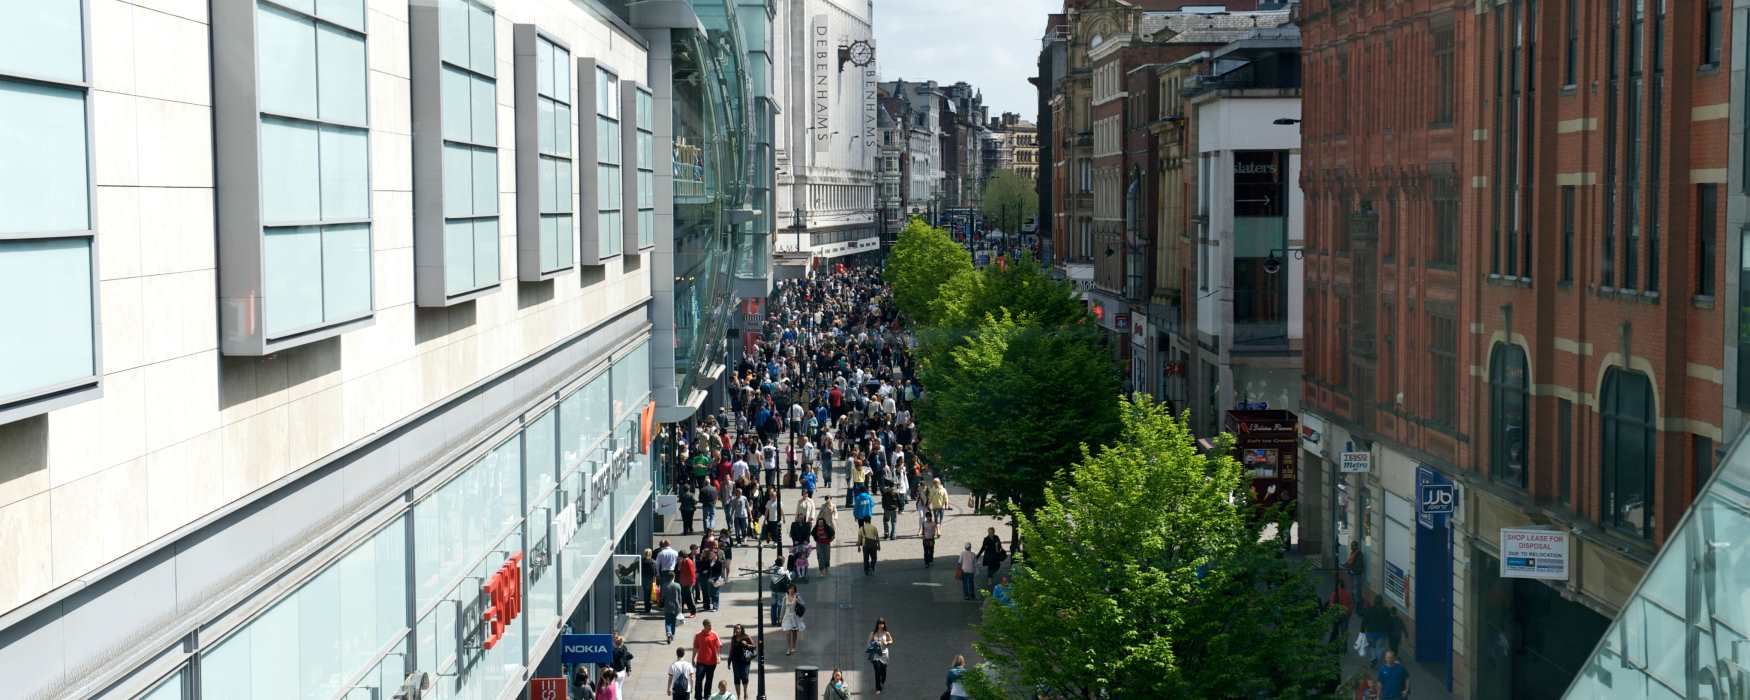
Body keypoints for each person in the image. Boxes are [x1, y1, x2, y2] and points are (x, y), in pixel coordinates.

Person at [692, 619, 721, 699]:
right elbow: (695, 648)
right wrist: (693, 658)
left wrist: (718, 656)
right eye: (709, 625)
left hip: (712, 662)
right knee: (698, 679)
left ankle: (707, 695)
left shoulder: (714, 634)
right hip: (701, 661)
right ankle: (698, 696)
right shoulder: (698, 635)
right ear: (704, 626)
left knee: (709, 680)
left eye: (711, 625)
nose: (711, 627)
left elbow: (718, 646)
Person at [728, 625, 758, 698]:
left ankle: (745, 692)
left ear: (741, 629)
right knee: (736, 678)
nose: (737, 630)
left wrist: (746, 644)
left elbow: (754, 647)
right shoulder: (734, 638)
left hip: (745, 661)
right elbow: (731, 650)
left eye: (739, 629)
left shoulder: (746, 637)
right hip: (735, 661)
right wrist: (729, 661)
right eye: (736, 629)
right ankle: (738, 696)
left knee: (745, 677)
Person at [867, 618, 895, 694]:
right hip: (876, 654)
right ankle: (878, 688)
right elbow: (868, 643)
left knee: (883, 671)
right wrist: (873, 645)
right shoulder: (873, 633)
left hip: (884, 654)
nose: (881, 625)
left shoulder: (886, 633)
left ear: (884, 625)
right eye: (879, 624)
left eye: (882, 624)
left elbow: (891, 640)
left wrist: (887, 642)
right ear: (877, 624)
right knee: (877, 671)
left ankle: (882, 681)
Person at [781, 586, 807, 655]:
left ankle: (793, 647)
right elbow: (783, 608)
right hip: (787, 617)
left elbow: (803, 604)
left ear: (794, 590)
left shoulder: (797, 596)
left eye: (792, 589)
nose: (791, 590)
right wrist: (780, 618)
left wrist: (798, 601)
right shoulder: (785, 597)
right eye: (790, 589)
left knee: (794, 632)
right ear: (788, 590)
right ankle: (789, 648)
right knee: (788, 633)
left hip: (795, 617)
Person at [1329, 578, 1355, 643]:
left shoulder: (1334, 593)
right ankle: (1344, 648)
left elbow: (1331, 604)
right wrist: (1348, 613)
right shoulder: (1347, 594)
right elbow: (1351, 605)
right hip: (1345, 615)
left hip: (1336, 615)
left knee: (1335, 631)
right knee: (1344, 632)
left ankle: (1335, 647)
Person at [677, 547, 699, 616]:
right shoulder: (684, 561)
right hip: (684, 582)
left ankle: (693, 612)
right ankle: (681, 611)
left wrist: (690, 583)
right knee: (682, 597)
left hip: (688, 583)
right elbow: (679, 569)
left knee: (689, 597)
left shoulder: (688, 561)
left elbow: (692, 573)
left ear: (681, 556)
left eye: (679, 556)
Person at [661, 577, 684, 643]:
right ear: (673, 577)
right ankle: (672, 635)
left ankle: (668, 633)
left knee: (668, 622)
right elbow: (680, 597)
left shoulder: (664, 585)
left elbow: (663, 596)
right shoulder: (677, 585)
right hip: (676, 606)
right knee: (673, 622)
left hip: (667, 606)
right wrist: (680, 608)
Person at [641, 548, 658, 613]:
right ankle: (649, 608)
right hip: (651, 579)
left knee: (646, 593)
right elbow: (655, 572)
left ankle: (646, 608)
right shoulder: (653, 562)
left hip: (644, 579)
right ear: (651, 554)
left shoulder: (642, 561)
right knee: (651, 594)